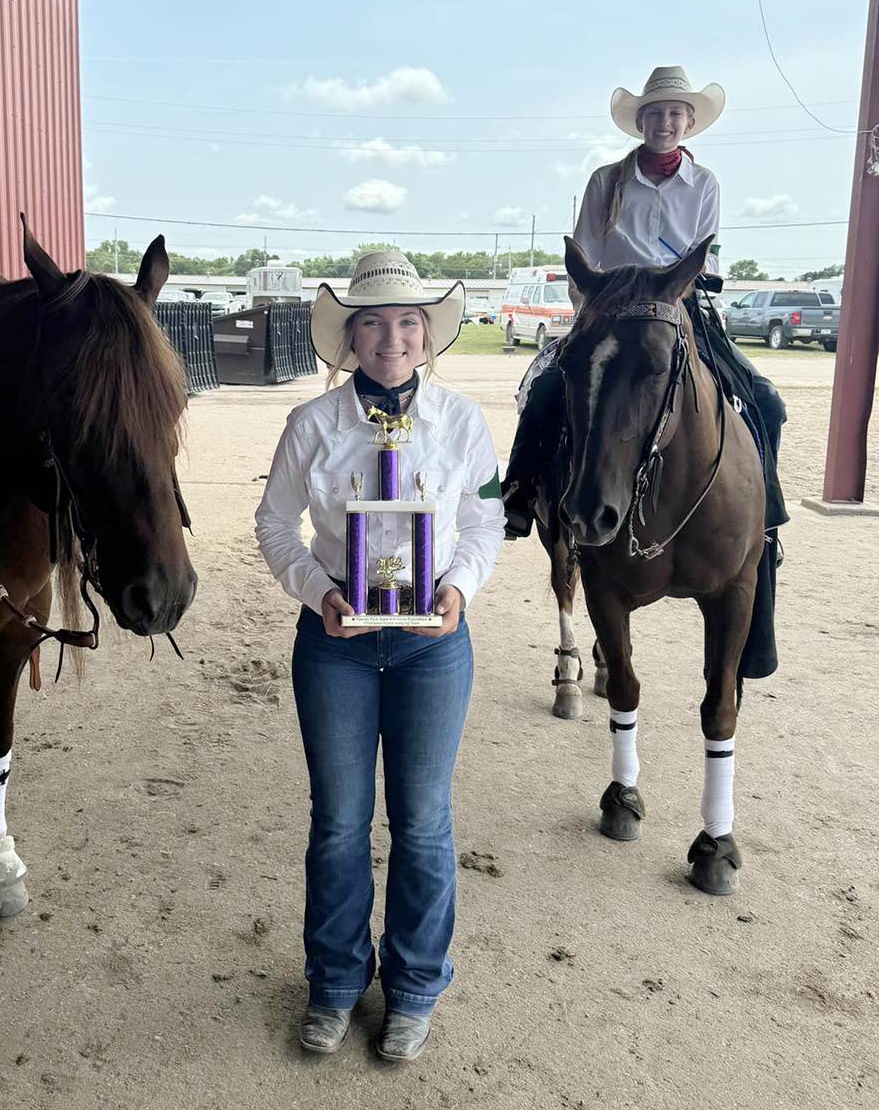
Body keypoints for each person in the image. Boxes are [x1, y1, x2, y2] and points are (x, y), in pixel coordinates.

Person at [255, 251, 505, 1061]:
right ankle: (332, 983)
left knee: (425, 826)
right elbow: (272, 525)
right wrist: (316, 592)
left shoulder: (464, 423)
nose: (389, 338)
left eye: (406, 323)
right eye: (372, 323)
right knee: (337, 824)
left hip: (433, 647)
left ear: (427, 336)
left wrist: (459, 588)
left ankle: (414, 988)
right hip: (336, 646)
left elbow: (486, 521)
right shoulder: (311, 426)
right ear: (350, 338)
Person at [500, 66, 786, 678]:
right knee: (551, 384)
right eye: (654, 113)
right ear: (640, 121)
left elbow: (703, 252)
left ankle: (766, 518)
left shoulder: (704, 182)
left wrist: (676, 296)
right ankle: (522, 491)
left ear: (688, 122)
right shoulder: (607, 180)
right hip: (610, 306)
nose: (665, 122)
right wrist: (596, 312)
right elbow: (587, 254)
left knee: (764, 398)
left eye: (675, 113)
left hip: (676, 306)